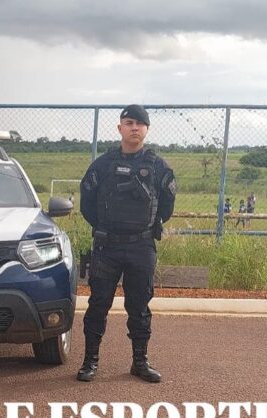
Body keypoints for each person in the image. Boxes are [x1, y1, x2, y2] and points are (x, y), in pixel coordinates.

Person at [77, 104, 176, 383]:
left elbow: (166, 208)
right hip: (107, 246)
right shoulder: (103, 165)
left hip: (141, 247)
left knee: (140, 305)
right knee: (98, 304)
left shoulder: (159, 167)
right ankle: (90, 362)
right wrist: (106, 228)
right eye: (129, 122)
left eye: (139, 123)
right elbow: (87, 204)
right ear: (120, 127)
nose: (134, 127)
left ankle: (140, 362)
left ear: (147, 129)